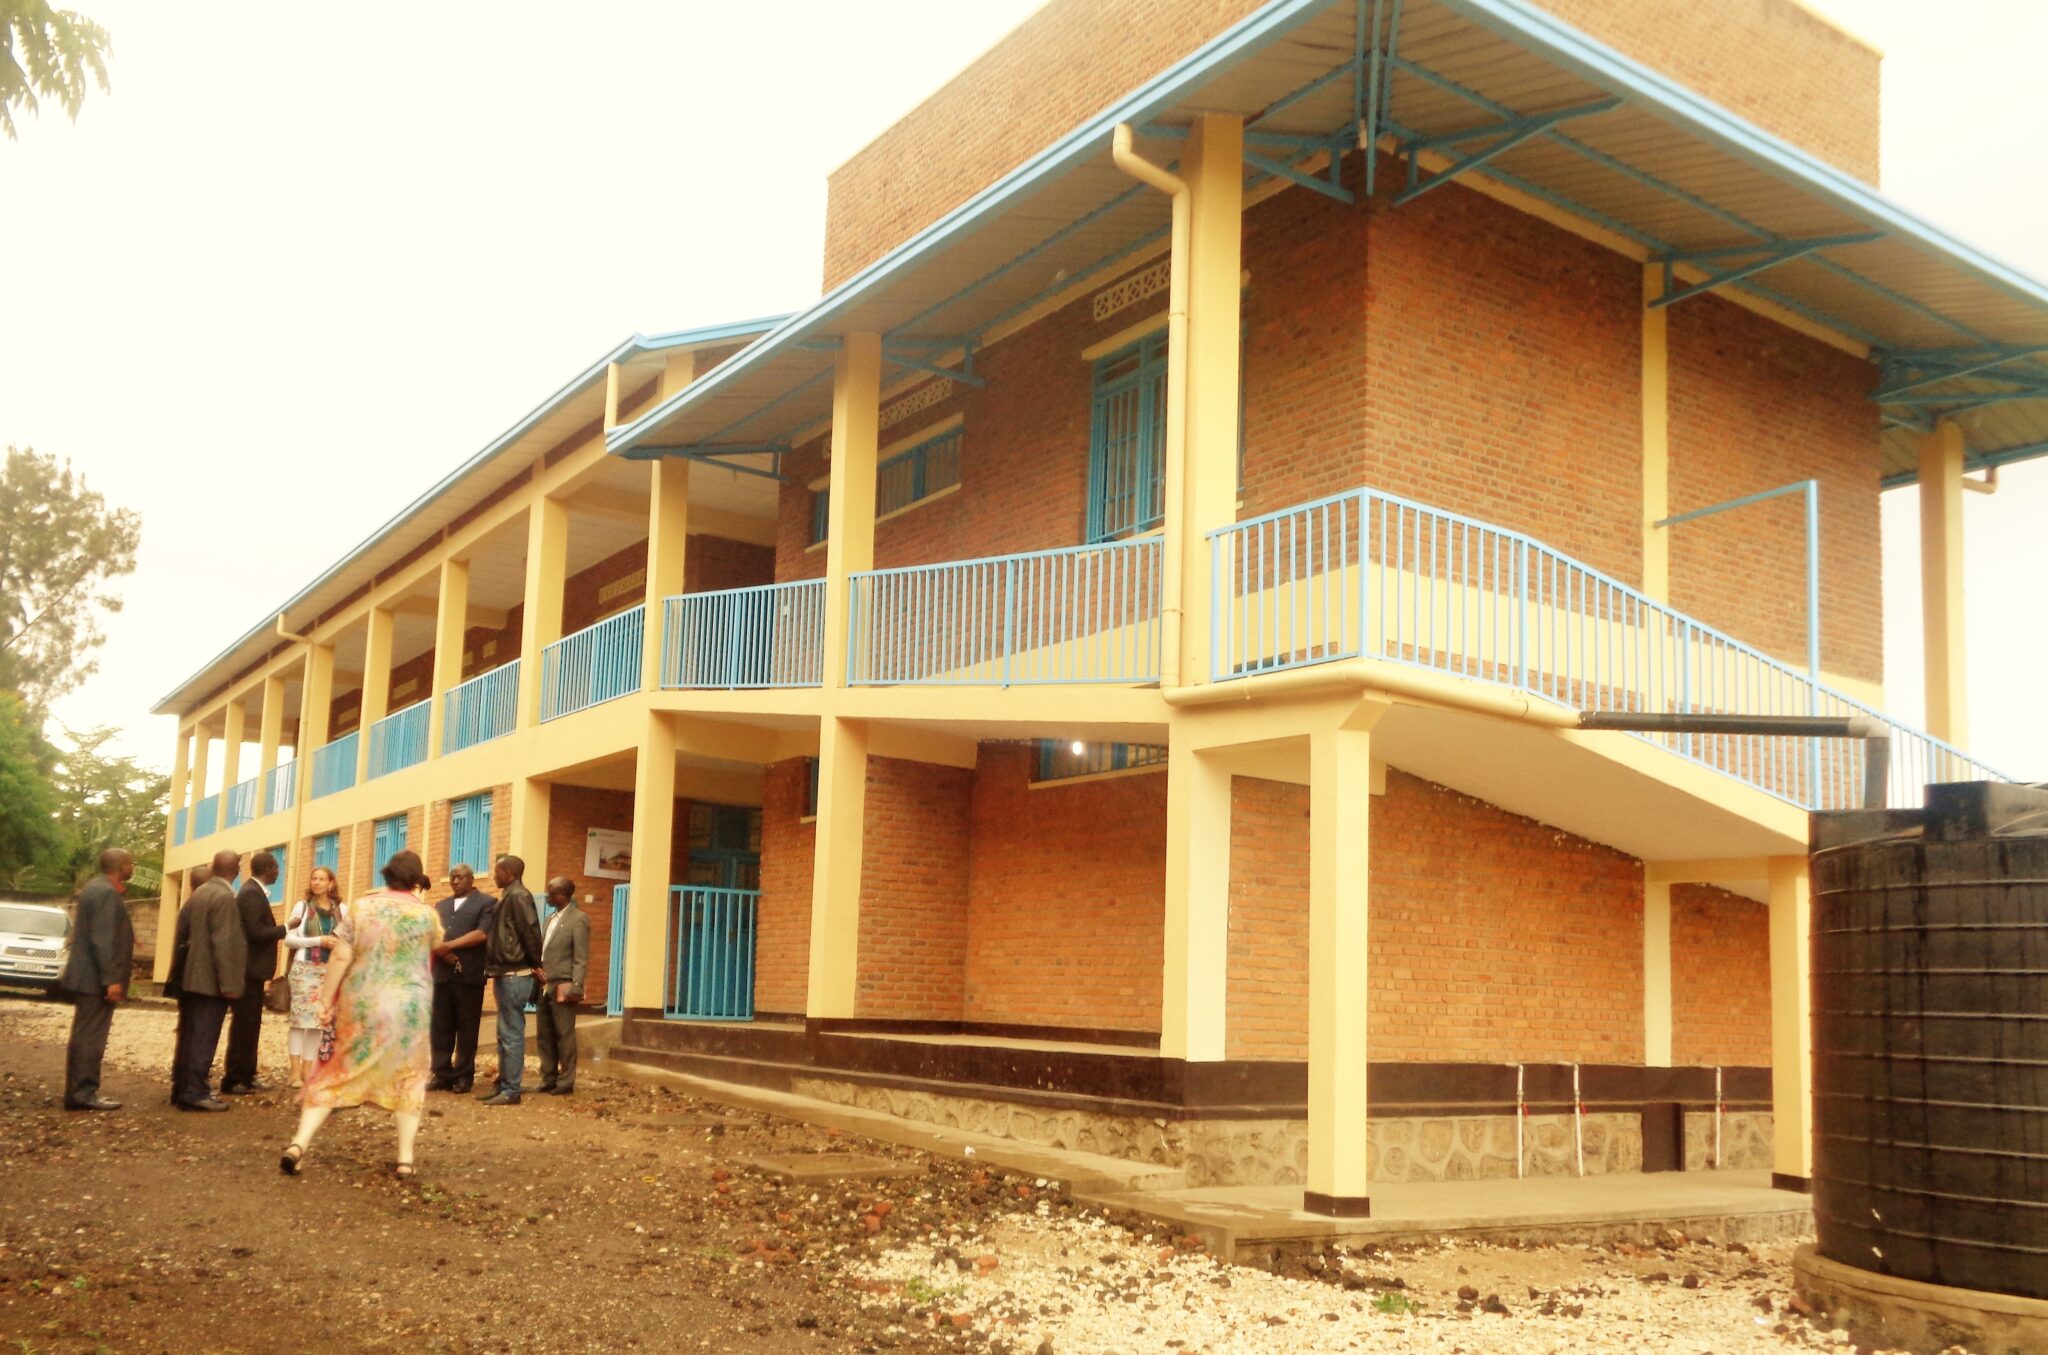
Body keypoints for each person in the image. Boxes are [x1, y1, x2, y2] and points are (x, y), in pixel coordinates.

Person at [282, 849, 443, 1179]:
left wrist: (326, 1001)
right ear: (416, 879)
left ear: (385, 875)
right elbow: (435, 947)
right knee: (409, 1077)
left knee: (336, 1072)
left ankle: (299, 1143)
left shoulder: (361, 907)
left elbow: (340, 956)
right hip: (408, 1010)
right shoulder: (428, 916)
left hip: (362, 1006)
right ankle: (405, 1159)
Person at [165, 849, 247, 1112]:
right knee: (203, 1037)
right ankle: (196, 1092)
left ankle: (183, 1089)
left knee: (191, 1036)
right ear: (236, 869)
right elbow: (223, 943)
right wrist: (230, 985)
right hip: (210, 981)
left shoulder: (200, 893)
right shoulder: (223, 897)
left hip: (192, 978)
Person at [57, 848, 136, 1111]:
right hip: (94, 980)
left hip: (88, 977)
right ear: (122, 866)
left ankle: (79, 1091)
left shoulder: (94, 887)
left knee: (85, 1035)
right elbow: (102, 940)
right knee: (91, 1037)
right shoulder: (105, 892)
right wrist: (111, 979)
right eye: (130, 862)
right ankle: (83, 1093)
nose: (132, 866)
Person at [478, 854, 542, 1106]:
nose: (494, 875)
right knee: (504, 1034)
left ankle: (511, 1090)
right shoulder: (510, 895)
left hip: (515, 975)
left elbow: (530, 932)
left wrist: (537, 964)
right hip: (506, 973)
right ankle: (503, 1085)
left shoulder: (518, 896)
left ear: (510, 874)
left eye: (498, 871)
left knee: (512, 1034)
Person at [222, 850, 287, 1095]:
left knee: (251, 1025)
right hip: (248, 971)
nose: (279, 872)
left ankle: (248, 1075)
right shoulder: (251, 893)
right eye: (277, 867)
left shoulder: (254, 891)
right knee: (244, 1026)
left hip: (254, 973)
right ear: (269, 868)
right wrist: (285, 929)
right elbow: (255, 932)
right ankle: (235, 1078)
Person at [428, 864, 496, 1093]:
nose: (456, 881)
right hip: (442, 975)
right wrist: (443, 952)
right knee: (440, 1027)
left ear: (471, 879)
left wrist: (449, 945)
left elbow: (482, 933)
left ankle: (463, 1077)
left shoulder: (486, 903)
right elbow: (432, 934)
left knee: (467, 1029)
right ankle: (441, 1074)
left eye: (461, 877)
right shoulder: (441, 905)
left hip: (469, 976)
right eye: (453, 878)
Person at [280, 866, 346, 1088]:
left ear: (331, 884)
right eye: (313, 878)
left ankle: (309, 1070)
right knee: (299, 1022)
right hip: (304, 968)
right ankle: (294, 1071)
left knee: (318, 1022)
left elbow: (349, 937)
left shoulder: (341, 909)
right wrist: (318, 941)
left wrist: (338, 944)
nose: (316, 882)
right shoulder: (302, 907)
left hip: (329, 970)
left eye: (321, 879)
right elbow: (288, 939)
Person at [534, 877, 588, 1097]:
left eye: (551, 892)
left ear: (563, 895)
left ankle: (566, 1081)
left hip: (564, 983)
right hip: (545, 984)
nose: (547, 895)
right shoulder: (548, 919)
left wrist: (577, 985)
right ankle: (548, 1078)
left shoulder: (579, 919)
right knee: (544, 1033)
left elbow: (581, 957)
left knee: (564, 1034)